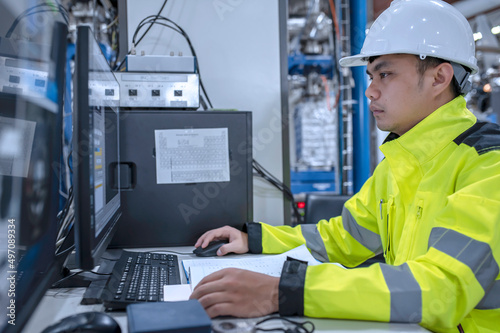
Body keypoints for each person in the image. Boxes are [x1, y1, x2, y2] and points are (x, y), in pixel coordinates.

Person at [189, 0, 500, 332]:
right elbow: (344, 238)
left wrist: (285, 292)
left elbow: (440, 288)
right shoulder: (401, 163)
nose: (370, 90)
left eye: (385, 74)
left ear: (439, 78)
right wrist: (256, 239)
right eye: (370, 76)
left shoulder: (488, 167)